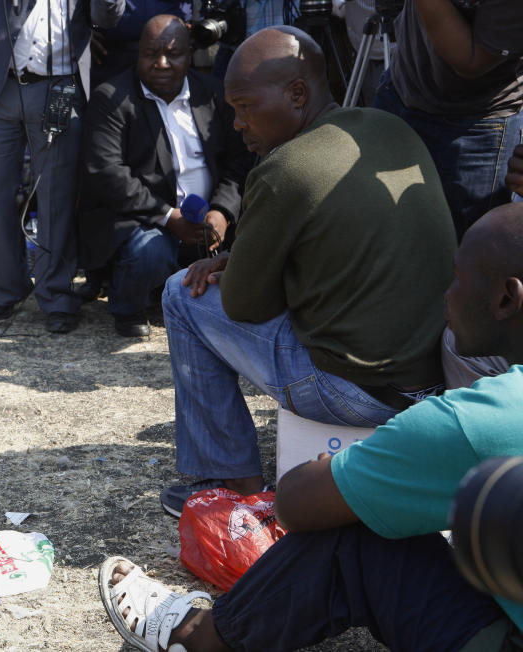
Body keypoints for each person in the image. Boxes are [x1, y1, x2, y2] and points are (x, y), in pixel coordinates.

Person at [99, 200, 523, 652]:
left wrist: (340, 471)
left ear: (505, 298)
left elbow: (298, 503)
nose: (446, 293)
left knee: (357, 530)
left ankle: (202, 639)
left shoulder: (481, 419)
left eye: (457, 278)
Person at [157, 26, 456, 515]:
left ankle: (235, 488)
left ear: (297, 94)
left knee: (179, 293)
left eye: (245, 106)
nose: (236, 123)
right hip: (436, 377)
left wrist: (246, 263)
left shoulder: (286, 168)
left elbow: (244, 305)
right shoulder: (389, 127)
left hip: (357, 392)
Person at [79, 16, 251, 337]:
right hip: (145, 222)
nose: (162, 63)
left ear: (189, 55)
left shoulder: (212, 93)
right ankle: (128, 304)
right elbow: (108, 174)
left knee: (262, 240)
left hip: (207, 221)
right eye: (151, 54)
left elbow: (239, 162)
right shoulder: (111, 98)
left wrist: (223, 211)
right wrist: (169, 217)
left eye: (173, 54)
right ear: (138, 53)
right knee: (150, 251)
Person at [0, 0, 126, 333]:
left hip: (58, 88)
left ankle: (56, 296)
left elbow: (107, 17)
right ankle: (6, 288)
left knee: (57, 196)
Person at [372, 0, 523, 240]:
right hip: (402, 87)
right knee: (386, 231)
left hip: (473, 129)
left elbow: (470, 60)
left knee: (464, 255)